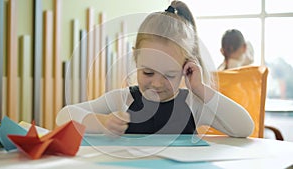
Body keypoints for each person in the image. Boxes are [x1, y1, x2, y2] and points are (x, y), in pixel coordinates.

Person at [56, 1, 254, 137]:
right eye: (148, 72)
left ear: (186, 69)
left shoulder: (194, 105)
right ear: (136, 59)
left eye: (170, 75)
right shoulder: (123, 100)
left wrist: (201, 88)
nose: (157, 83)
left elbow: (245, 128)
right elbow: (64, 116)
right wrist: (102, 123)